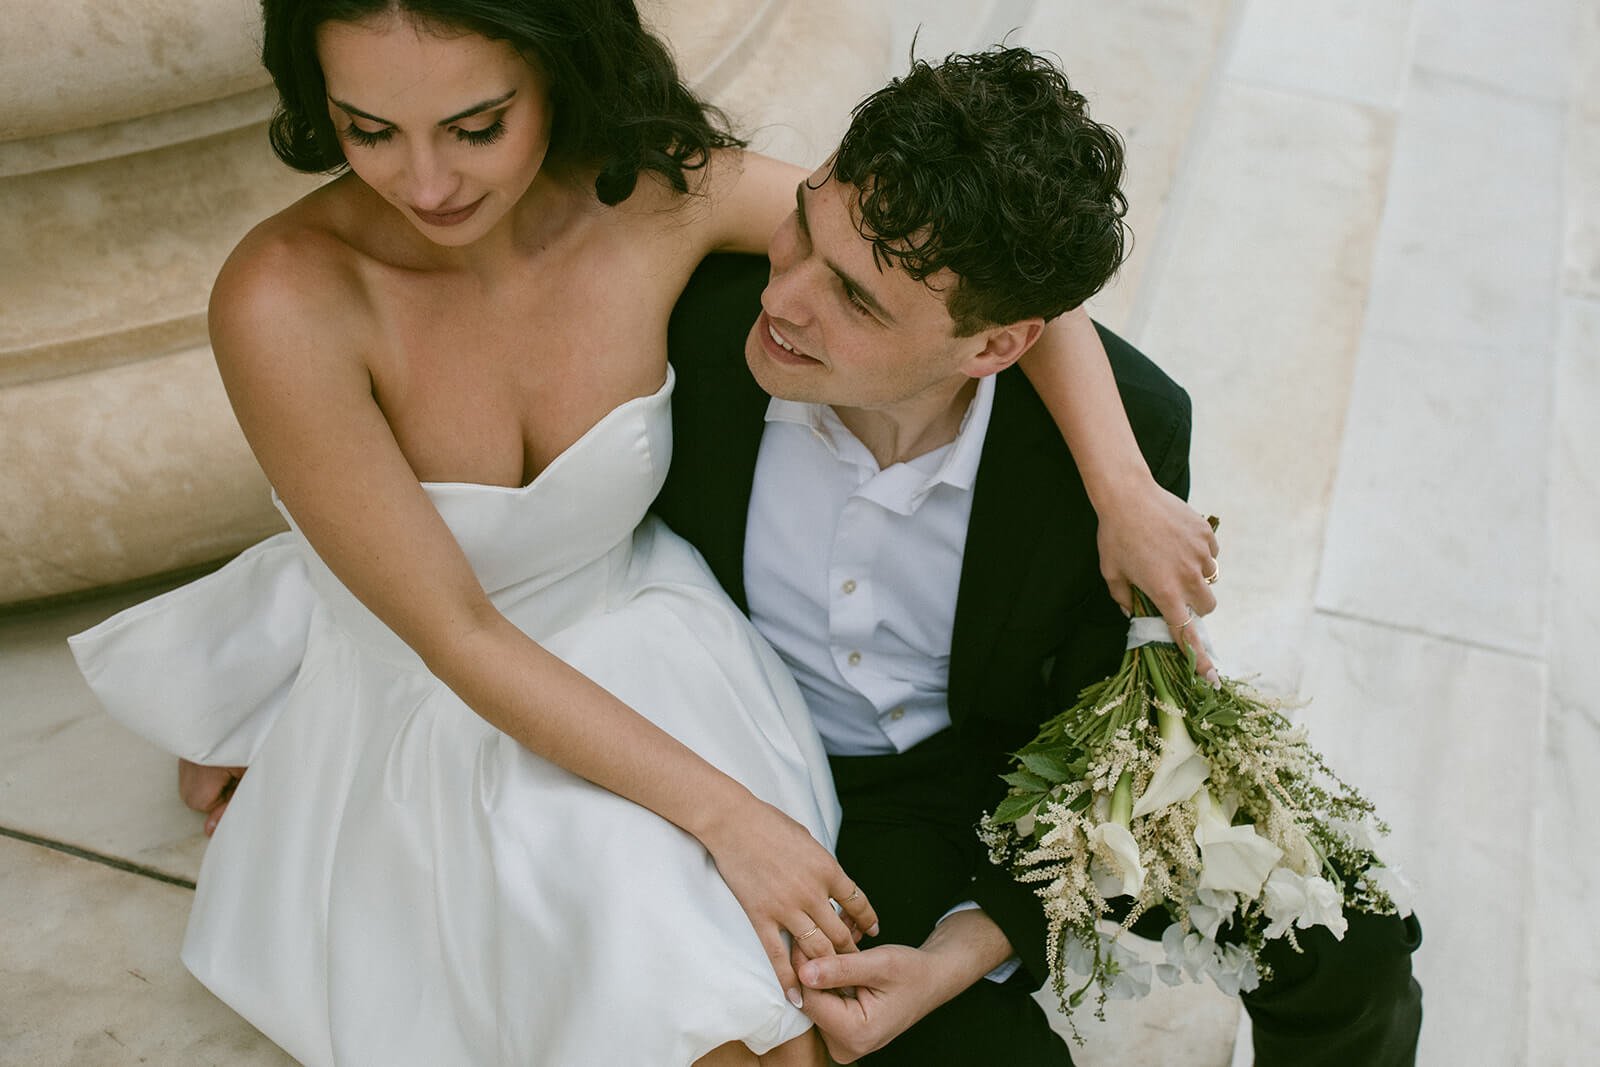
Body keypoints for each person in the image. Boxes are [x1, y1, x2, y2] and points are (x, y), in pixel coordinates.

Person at [70, 3, 1217, 1064]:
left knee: (780, 1019)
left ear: (554, 72)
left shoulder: (660, 194)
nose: (423, 182)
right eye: (366, 128)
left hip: (659, 651)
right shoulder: (280, 297)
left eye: (476, 125)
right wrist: (731, 819)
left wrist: (1120, 486)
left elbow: (986, 271)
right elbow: (459, 633)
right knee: (688, 1006)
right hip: (438, 694)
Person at [654, 48, 1424, 1066]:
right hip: (799, 789)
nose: (782, 298)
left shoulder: (1129, 434)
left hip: (1024, 764)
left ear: (995, 346)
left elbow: (1104, 736)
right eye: (800, 225)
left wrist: (963, 947)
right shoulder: (689, 335)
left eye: (853, 297)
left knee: (1344, 932)